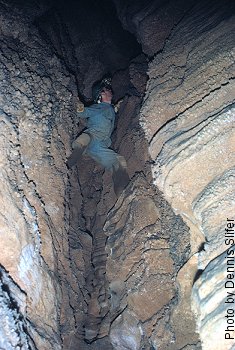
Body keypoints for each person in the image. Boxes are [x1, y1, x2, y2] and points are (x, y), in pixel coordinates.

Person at [67, 77, 129, 197]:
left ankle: (123, 193)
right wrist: (78, 103)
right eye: (106, 89)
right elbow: (83, 113)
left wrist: (117, 107)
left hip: (100, 145)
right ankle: (70, 161)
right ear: (101, 94)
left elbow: (110, 112)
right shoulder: (98, 108)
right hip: (92, 137)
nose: (110, 90)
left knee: (118, 162)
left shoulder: (109, 108)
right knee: (86, 138)